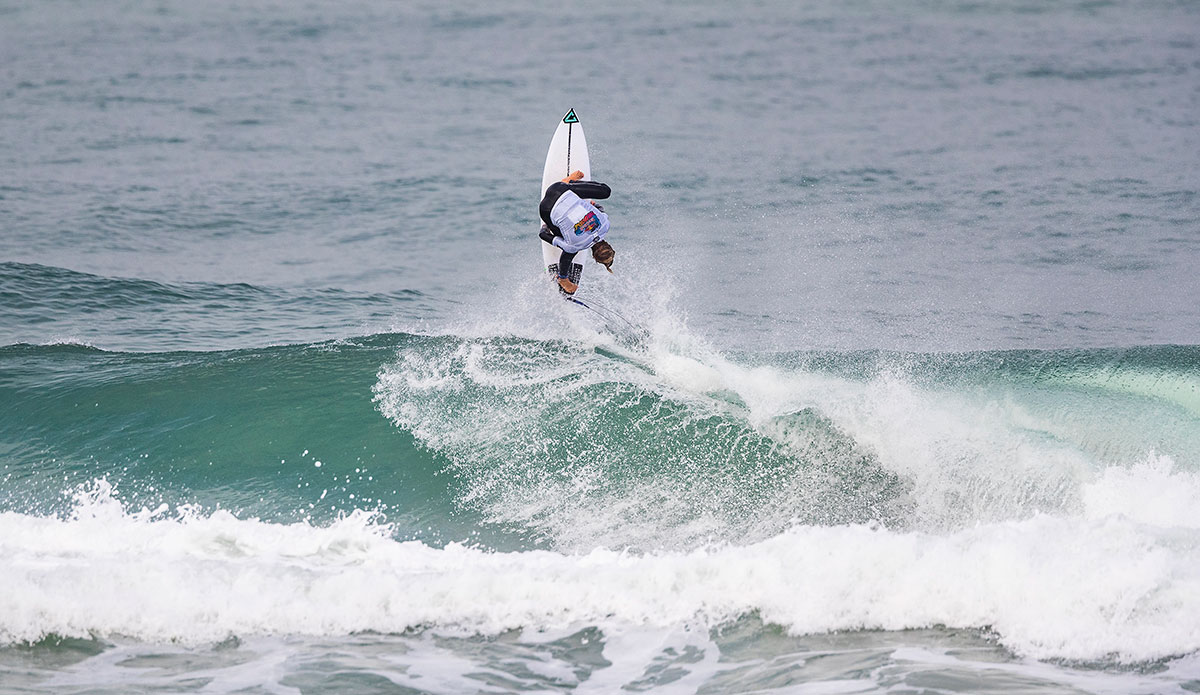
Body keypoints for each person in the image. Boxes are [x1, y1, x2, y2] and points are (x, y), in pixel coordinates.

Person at [538, 170, 616, 295]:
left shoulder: (605, 225)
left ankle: (570, 182)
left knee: (606, 191)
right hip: (546, 209)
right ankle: (563, 279)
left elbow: (599, 209)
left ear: (609, 245)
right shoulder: (575, 246)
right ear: (593, 256)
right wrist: (546, 227)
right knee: (568, 250)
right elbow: (542, 235)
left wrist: (591, 205)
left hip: (559, 189)